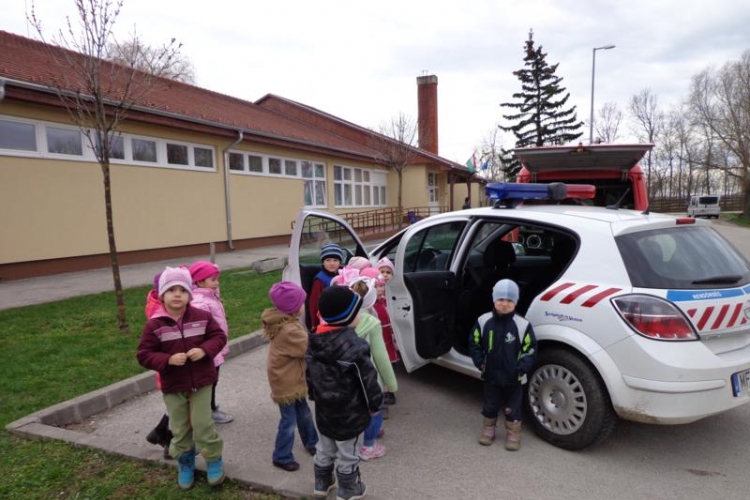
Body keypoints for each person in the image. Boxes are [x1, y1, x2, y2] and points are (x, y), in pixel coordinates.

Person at [136, 266, 227, 489]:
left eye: (183, 290)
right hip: (174, 385)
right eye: (171, 290)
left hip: (202, 382)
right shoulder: (155, 325)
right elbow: (144, 354)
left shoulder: (202, 317)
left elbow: (219, 336)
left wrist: (205, 350)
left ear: (190, 293)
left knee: (202, 424)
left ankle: (214, 460)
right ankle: (185, 462)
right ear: (161, 294)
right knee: (179, 428)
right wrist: (167, 360)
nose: (178, 295)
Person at [306, 286, 383, 500]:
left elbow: (310, 376)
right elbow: (368, 380)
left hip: (324, 410)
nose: (359, 316)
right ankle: (349, 489)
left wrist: (314, 395)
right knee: (349, 452)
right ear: (347, 317)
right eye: (356, 312)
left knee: (325, 447)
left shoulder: (313, 342)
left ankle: (322, 483)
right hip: (351, 413)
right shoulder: (354, 347)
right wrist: (375, 405)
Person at [468, 279, 537, 451]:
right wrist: (480, 362)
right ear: (494, 300)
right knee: (490, 405)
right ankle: (488, 429)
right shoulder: (484, 321)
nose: (504, 304)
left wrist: (520, 368)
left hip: (514, 378)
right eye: (500, 300)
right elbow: (474, 343)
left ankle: (513, 434)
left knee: (512, 408)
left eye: (509, 301)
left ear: (515, 302)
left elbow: (530, 349)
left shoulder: (522, 325)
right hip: (491, 375)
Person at [262, 281, 319, 472]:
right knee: (289, 421)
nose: (304, 305)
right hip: (286, 382)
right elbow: (309, 347)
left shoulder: (287, 323)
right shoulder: (289, 330)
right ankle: (281, 455)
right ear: (294, 308)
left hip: (290, 378)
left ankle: (312, 442)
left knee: (303, 413)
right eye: (302, 302)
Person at [348, 277, 397, 461]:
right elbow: (381, 357)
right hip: (370, 378)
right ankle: (368, 446)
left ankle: (354, 441)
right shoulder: (372, 323)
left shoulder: (343, 318)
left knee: (356, 408)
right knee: (374, 410)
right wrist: (391, 384)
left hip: (349, 377)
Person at [188, 260, 233, 424]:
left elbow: (212, 285)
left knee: (213, 381)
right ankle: (208, 412)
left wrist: (213, 270)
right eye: (213, 280)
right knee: (209, 383)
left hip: (215, 349)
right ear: (200, 281)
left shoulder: (208, 295)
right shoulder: (200, 303)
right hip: (209, 351)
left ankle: (209, 409)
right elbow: (199, 331)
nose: (217, 283)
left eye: (217, 279)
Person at [143, 270, 173, 459]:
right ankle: (170, 444)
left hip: (176, 369)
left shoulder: (160, 305)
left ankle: (159, 432)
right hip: (171, 370)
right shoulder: (160, 315)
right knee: (179, 410)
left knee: (177, 408)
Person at [375, 257, 398, 406]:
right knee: (380, 364)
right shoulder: (374, 299)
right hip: (380, 336)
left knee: (391, 363)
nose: (384, 274)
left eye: (388, 272)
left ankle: (391, 391)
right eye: (381, 271)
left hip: (390, 336)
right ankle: (382, 392)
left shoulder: (394, 294)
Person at [307, 242, 345, 331]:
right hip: (326, 318)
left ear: (340, 262)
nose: (332, 263)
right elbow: (314, 303)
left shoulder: (343, 274)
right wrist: (314, 323)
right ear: (323, 262)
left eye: (335, 260)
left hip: (343, 314)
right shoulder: (320, 280)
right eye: (328, 260)